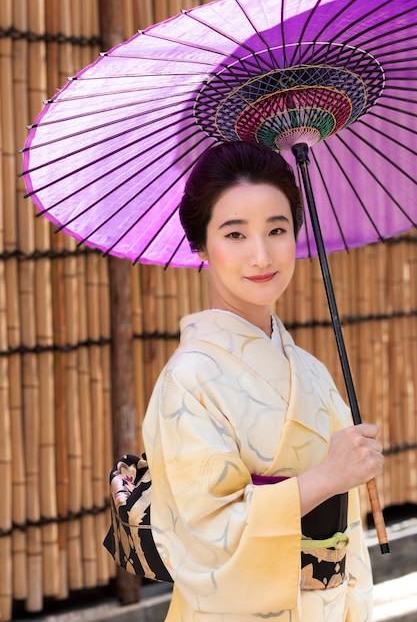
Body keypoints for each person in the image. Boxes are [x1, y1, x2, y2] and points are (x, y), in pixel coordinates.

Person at [142, 140, 384, 621]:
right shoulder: (188, 380)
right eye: (235, 235)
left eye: (277, 229)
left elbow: (347, 531)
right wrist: (326, 478)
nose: (261, 255)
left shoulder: (312, 371)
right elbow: (204, 536)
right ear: (200, 244)